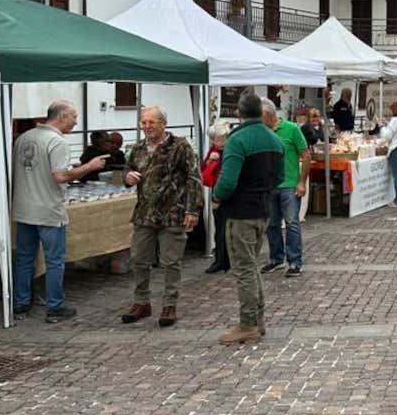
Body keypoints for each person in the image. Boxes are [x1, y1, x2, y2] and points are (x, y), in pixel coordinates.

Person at [12, 100, 108, 323]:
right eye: (74, 116)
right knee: (54, 260)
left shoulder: (24, 138)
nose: (76, 121)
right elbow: (61, 176)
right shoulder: (57, 142)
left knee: (25, 258)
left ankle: (20, 303)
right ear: (62, 116)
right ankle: (54, 306)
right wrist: (89, 167)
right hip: (48, 209)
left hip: (24, 207)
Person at [120, 106, 202, 328]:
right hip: (144, 213)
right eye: (143, 122)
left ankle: (169, 304)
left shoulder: (179, 146)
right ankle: (141, 302)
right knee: (139, 259)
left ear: (163, 123)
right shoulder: (137, 148)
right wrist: (127, 177)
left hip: (173, 213)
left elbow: (194, 178)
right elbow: (126, 173)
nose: (147, 127)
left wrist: (192, 209)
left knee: (170, 262)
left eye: (151, 122)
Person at [213, 94, 283, 345]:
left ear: (239, 114)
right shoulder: (274, 139)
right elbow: (279, 177)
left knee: (244, 269)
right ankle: (258, 319)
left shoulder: (238, 139)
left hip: (240, 211)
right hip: (263, 209)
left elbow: (228, 180)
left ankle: (248, 323)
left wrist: (217, 196)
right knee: (252, 265)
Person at [262, 99, 309, 277]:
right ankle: (276, 258)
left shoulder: (291, 129)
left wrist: (301, 181)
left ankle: (295, 261)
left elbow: (305, 155)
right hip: (270, 185)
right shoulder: (262, 132)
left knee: (291, 223)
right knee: (271, 223)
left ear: (267, 114)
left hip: (289, 184)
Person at [201, 120, 233, 275]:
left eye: (219, 139)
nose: (215, 142)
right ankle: (220, 259)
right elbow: (203, 170)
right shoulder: (213, 150)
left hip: (229, 191)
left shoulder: (231, 150)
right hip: (216, 190)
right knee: (219, 227)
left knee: (226, 228)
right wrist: (209, 161)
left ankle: (225, 260)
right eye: (214, 139)